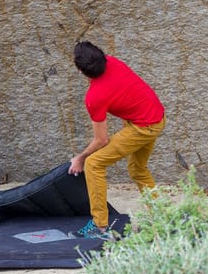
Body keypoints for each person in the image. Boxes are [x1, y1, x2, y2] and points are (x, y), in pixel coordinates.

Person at [68, 41, 166, 240]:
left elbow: (101, 140)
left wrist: (80, 157)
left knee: (94, 163)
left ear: (80, 71)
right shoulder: (114, 62)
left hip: (142, 127)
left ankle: (99, 226)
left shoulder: (94, 97)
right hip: (157, 117)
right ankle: (164, 216)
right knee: (138, 169)